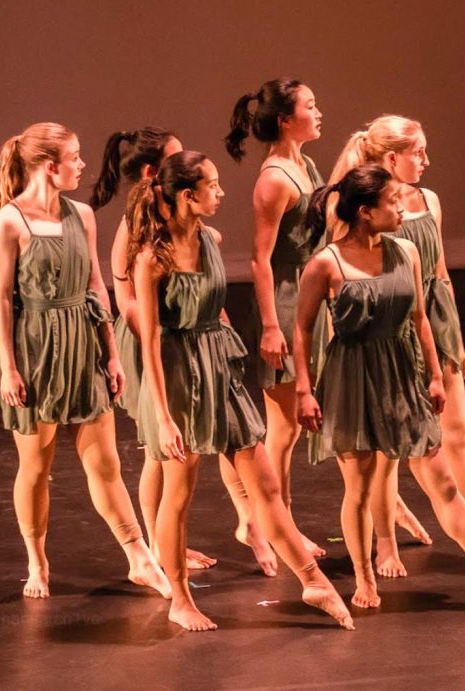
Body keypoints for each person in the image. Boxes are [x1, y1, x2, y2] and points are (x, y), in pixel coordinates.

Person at [128, 150, 353, 631]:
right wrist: (164, 417)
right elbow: (148, 338)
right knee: (179, 492)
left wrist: (229, 360)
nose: (221, 192)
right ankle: (180, 599)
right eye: (212, 184)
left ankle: (313, 581)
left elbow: (217, 308)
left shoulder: (211, 239)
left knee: (265, 483)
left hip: (219, 369)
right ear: (188, 195)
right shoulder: (152, 258)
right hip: (178, 376)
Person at [295, 164, 465, 616]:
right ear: (365, 212)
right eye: (393, 202)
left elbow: (420, 318)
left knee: (441, 478)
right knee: (359, 488)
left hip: (402, 373)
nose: (402, 209)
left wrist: (435, 375)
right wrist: (305, 390)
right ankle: (364, 575)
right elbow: (302, 330)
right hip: (354, 378)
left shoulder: (405, 251)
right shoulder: (326, 263)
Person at [0, 122, 169, 600]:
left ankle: (139, 557)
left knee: (106, 462)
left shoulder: (82, 214)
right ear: (51, 166)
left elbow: (95, 285)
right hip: (37, 350)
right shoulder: (9, 222)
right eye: (76, 156)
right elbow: (3, 300)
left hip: (83, 345)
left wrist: (111, 353)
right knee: (36, 465)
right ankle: (37, 562)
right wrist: (8, 365)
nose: (82, 164)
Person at [90, 126, 274, 575]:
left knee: (224, 435)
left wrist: (211, 327)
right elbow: (131, 304)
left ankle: (248, 522)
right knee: (162, 451)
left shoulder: (190, 231)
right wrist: (176, 337)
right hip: (157, 343)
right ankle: (159, 544)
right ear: (159, 175)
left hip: (190, 337)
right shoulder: (141, 230)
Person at [225, 78, 328, 558]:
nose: (318, 111)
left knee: (291, 427)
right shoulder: (273, 180)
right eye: (310, 105)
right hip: (285, 302)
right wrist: (270, 324)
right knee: (282, 428)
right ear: (286, 119)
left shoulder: (304, 165)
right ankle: (272, 522)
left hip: (309, 294)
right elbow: (260, 259)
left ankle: (271, 519)